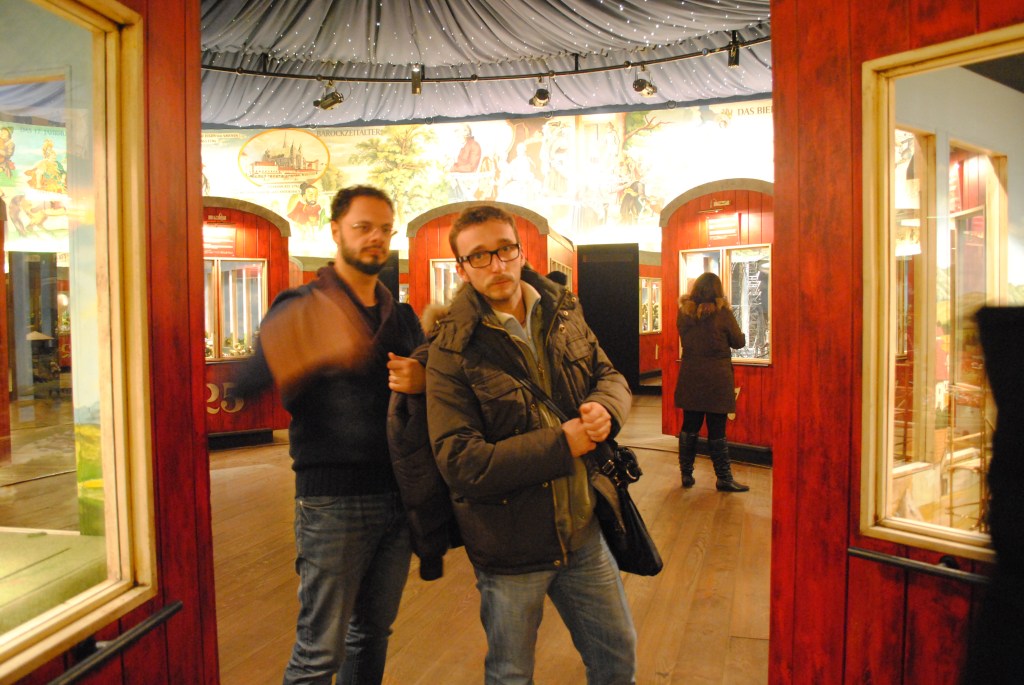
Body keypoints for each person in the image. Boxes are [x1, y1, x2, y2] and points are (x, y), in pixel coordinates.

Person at [426, 204, 637, 684]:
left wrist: (606, 408)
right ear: (461, 269)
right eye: (479, 256)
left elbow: (609, 374)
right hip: (510, 548)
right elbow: (461, 461)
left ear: (522, 252)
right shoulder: (452, 348)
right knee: (511, 673)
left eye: (505, 249)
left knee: (617, 658)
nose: (497, 265)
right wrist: (562, 444)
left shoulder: (563, 312)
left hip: (583, 531)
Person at [234, 185, 426, 685]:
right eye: (363, 227)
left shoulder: (402, 317)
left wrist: (425, 379)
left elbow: (438, 390)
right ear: (336, 230)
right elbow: (247, 383)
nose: (375, 238)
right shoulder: (299, 306)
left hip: (398, 496)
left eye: (384, 229)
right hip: (332, 500)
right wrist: (304, 352)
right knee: (320, 651)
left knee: (372, 634)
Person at [674, 271, 749, 492]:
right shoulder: (723, 314)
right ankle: (723, 478)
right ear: (717, 291)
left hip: (691, 376)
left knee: (689, 426)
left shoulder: (684, 313)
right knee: (717, 429)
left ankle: (686, 474)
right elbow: (738, 342)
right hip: (717, 379)